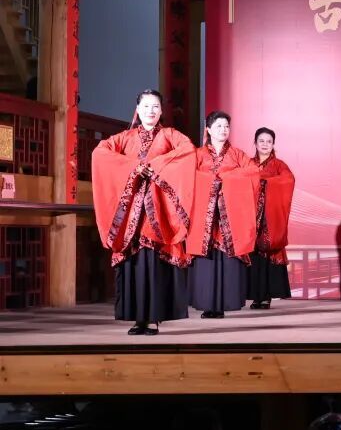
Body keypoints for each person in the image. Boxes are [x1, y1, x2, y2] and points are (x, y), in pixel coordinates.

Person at [91, 89, 195, 335]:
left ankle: (153, 318)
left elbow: (188, 151)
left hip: (158, 212)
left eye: (155, 106)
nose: (150, 111)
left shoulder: (170, 135)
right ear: (137, 110)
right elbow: (100, 153)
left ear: (161, 111)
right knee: (134, 265)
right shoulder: (124, 138)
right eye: (146, 106)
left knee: (154, 265)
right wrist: (134, 167)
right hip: (131, 215)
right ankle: (138, 318)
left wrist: (155, 166)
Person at [187, 111, 260, 319]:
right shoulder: (198, 154)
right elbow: (189, 176)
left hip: (230, 215)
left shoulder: (237, 155)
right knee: (206, 260)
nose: (223, 130)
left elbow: (253, 172)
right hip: (205, 216)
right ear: (208, 129)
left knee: (228, 258)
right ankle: (207, 304)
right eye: (218, 126)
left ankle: (225, 302)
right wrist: (210, 181)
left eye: (226, 126)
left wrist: (226, 179)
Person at [247, 127, 295, 309]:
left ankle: (266, 296)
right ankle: (255, 296)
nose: (265, 144)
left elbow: (288, 180)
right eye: (261, 141)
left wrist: (266, 182)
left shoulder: (279, 165)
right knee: (253, 256)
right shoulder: (248, 164)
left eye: (269, 141)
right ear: (255, 143)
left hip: (269, 218)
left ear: (273, 144)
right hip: (252, 217)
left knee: (268, 255)